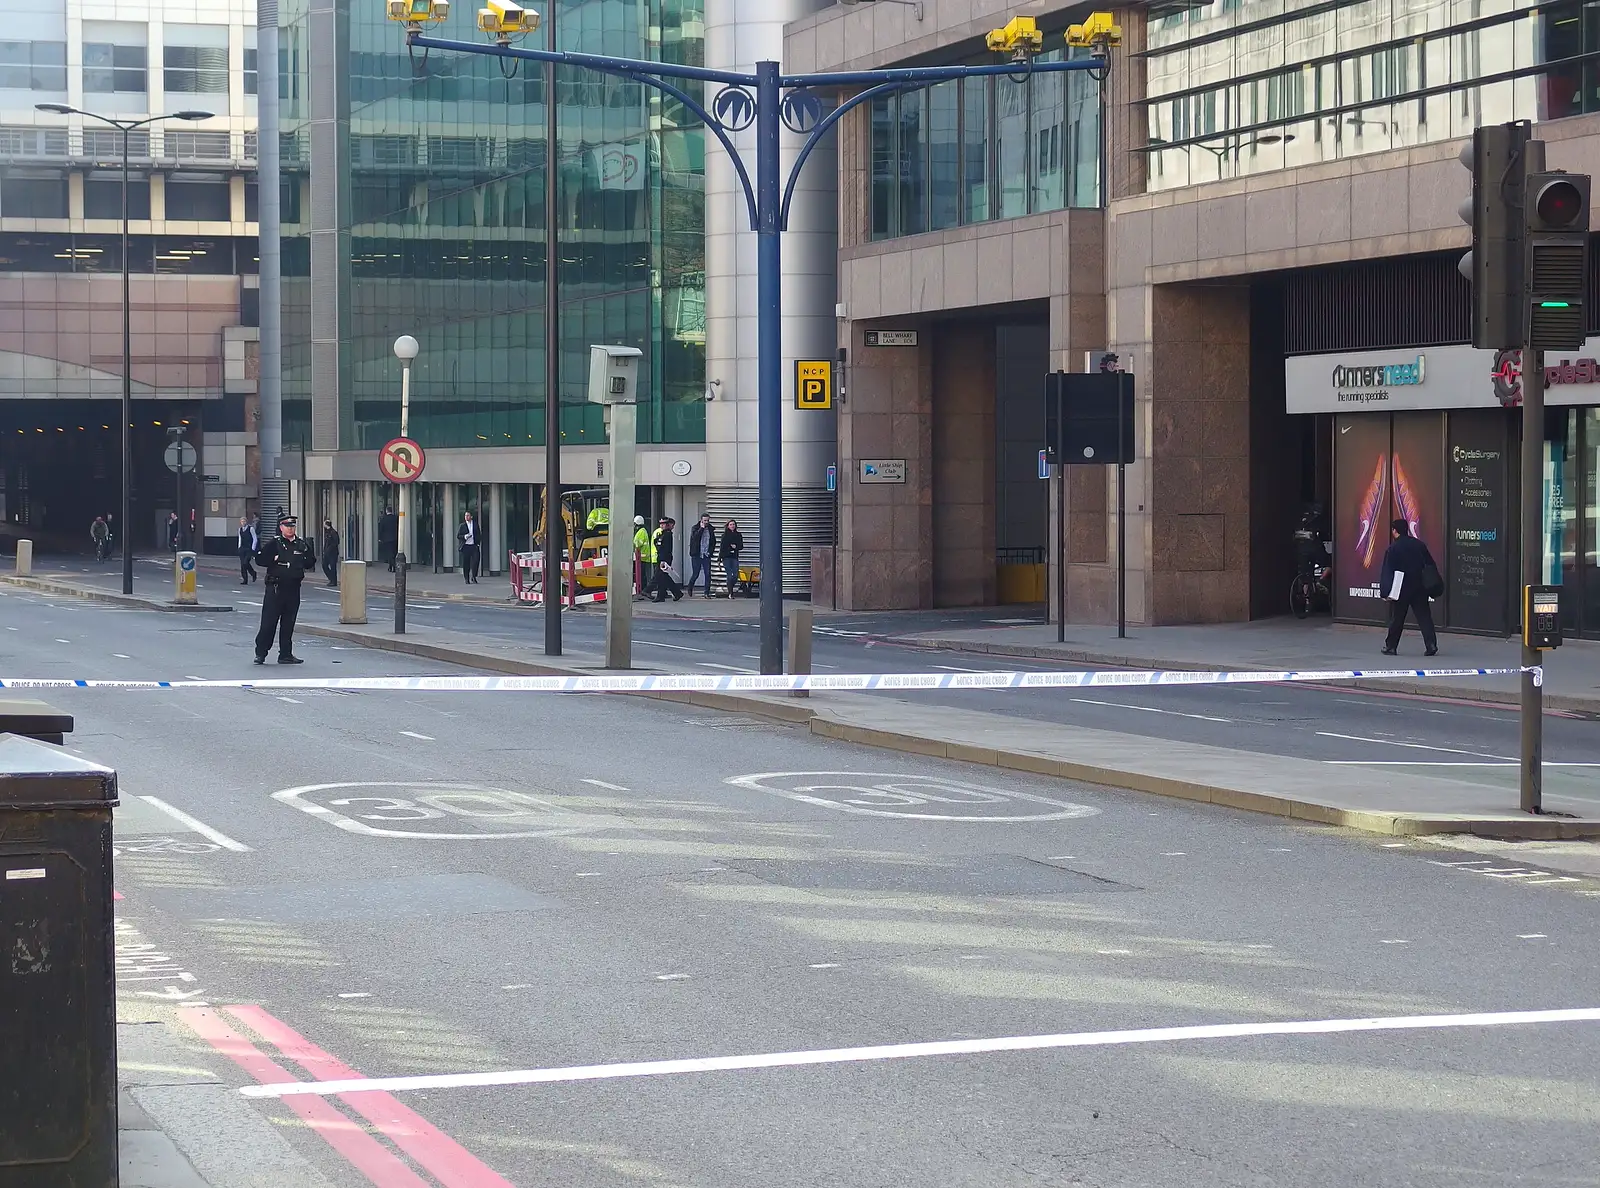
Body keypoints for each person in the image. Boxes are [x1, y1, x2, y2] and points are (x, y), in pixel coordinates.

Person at [253, 516, 316, 664]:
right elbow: (259, 559)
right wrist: (272, 559)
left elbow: (311, 561)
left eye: (292, 526)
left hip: (293, 588)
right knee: (269, 623)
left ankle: (285, 654)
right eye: (287, 526)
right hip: (276, 588)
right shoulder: (274, 543)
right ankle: (261, 653)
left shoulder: (301, 544)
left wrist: (304, 561)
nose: (290, 528)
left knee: (288, 623)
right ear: (281, 527)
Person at [1379, 518, 1439, 657]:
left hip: (1401, 588)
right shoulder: (1419, 545)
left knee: (1397, 618)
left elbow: (1388, 571)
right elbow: (1429, 564)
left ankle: (1391, 647)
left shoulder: (1393, 548)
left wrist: (1385, 592)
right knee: (1424, 617)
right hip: (1419, 586)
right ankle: (1431, 644)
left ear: (1395, 531)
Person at [650, 516, 683, 603]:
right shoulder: (662, 534)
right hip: (660, 558)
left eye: (664, 524)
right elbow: (657, 544)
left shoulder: (667, 534)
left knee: (660, 576)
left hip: (664, 558)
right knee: (663, 577)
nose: (662, 525)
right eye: (661, 524)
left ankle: (657, 595)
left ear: (667, 525)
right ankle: (676, 593)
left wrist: (663, 561)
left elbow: (665, 549)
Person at [688, 513, 717, 598]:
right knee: (695, 574)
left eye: (707, 520)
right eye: (704, 520)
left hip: (706, 554)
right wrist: (701, 528)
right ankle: (690, 587)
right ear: (701, 520)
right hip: (697, 554)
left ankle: (706, 593)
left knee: (708, 574)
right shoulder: (695, 528)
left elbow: (713, 542)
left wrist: (710, 552)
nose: (706, 522)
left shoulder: (710, 529)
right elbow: (695, 538)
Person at [720, 519, 744, 598]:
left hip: (734, 557)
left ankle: (730, 586)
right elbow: (722, 547)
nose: (732, 526)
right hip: (726, 557)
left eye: (733, 524)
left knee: (736, 575)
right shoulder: (725, 535)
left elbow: (741, 546)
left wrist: (736, 547)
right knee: (729, 575)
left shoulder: (738, 535)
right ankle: (730, 593)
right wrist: (719, 558)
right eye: (730, 524)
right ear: (728, 526)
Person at [457, 510, 481, 584]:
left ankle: (473, 576)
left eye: (468, 515)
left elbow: (479, 534)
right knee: (466, 563)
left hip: (474, 546)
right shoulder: (462, 526)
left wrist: (478, 543)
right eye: (465, 516)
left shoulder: (475, 524)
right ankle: (466, 578)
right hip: (466, 546)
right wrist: (465, 536)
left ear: (471, 517)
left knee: (476, 561)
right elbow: (458, 536)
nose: (466, 517)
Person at [631, 514, 651, 596]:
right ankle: (642, 590)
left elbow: (637, 544)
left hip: (641, 557)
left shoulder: (641, 532)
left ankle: (642, 590)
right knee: (642, 575)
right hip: (642, 556)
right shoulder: (643, 530)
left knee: (641, 575)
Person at [237, 516, 259, 584]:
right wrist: (239, 547)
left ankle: (253, 573)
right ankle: (245, 579)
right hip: (242, 548)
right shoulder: (240, 529)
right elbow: (240, 538)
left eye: (244, 521)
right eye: (242, 521)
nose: (243, 523)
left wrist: (253, 548)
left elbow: (255, 538)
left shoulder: (251, 528)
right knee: (242, 564)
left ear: (246, 522)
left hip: (249, 548)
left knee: (245, 562)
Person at [378, 506, 399, 572]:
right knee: (393, 552)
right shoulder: (395, 518)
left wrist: (380, 538)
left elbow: (381, 529)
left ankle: (393, 566)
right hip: (395, 538)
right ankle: (390, 566)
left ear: (386, 511)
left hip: (386, 539)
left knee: (389, 553)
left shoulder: (384, 519)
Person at [320, 519, 341, 588]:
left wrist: (329, 549)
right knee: (324, 565)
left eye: (324, 524)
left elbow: (336, 542)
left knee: (333, 567)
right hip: (327, 553)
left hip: (333, 553)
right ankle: (331, 578)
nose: (323, 525)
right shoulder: (327, 532)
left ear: (326, 524)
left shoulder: (333, 532)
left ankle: (333, 581)